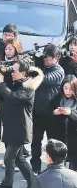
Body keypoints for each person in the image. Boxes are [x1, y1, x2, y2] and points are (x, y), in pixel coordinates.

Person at [0, 58, 43, 188]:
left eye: (14, 71)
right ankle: (14, 184)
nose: (12, 73)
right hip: (11, 126)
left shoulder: (28, 88)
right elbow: (1, 97)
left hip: (20, 129)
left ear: (24, 73)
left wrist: (2, 83)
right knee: (18, 159)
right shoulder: (15, 83)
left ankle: (21, 185)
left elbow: (12, 97)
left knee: (9, 158)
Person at [0, 24, 26, 154]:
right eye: (5, 34)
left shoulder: (20, 56)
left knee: (15, 122)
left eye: (10, 35)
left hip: (13, 91)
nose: (7, 37)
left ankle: (20, 148)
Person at [31, 44, 65, 174]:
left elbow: (44, 79)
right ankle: (35, 167)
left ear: (56, 57)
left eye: (48, 58)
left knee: (52, 144)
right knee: (35, 142)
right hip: (38, 112)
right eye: (44, 57)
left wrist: (36, 69)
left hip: (52, 114)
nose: (46, 60)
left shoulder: (59, 71)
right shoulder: (42, 67)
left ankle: (53, 168)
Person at [50, 75, 77, 171]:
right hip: (60, 136)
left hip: (74, 138)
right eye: (65, 88)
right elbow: (48, 112)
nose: (68, 91)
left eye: (71, 88)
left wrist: (71, 113)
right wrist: (54, 112)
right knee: (59, 164)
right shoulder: (57, 98)